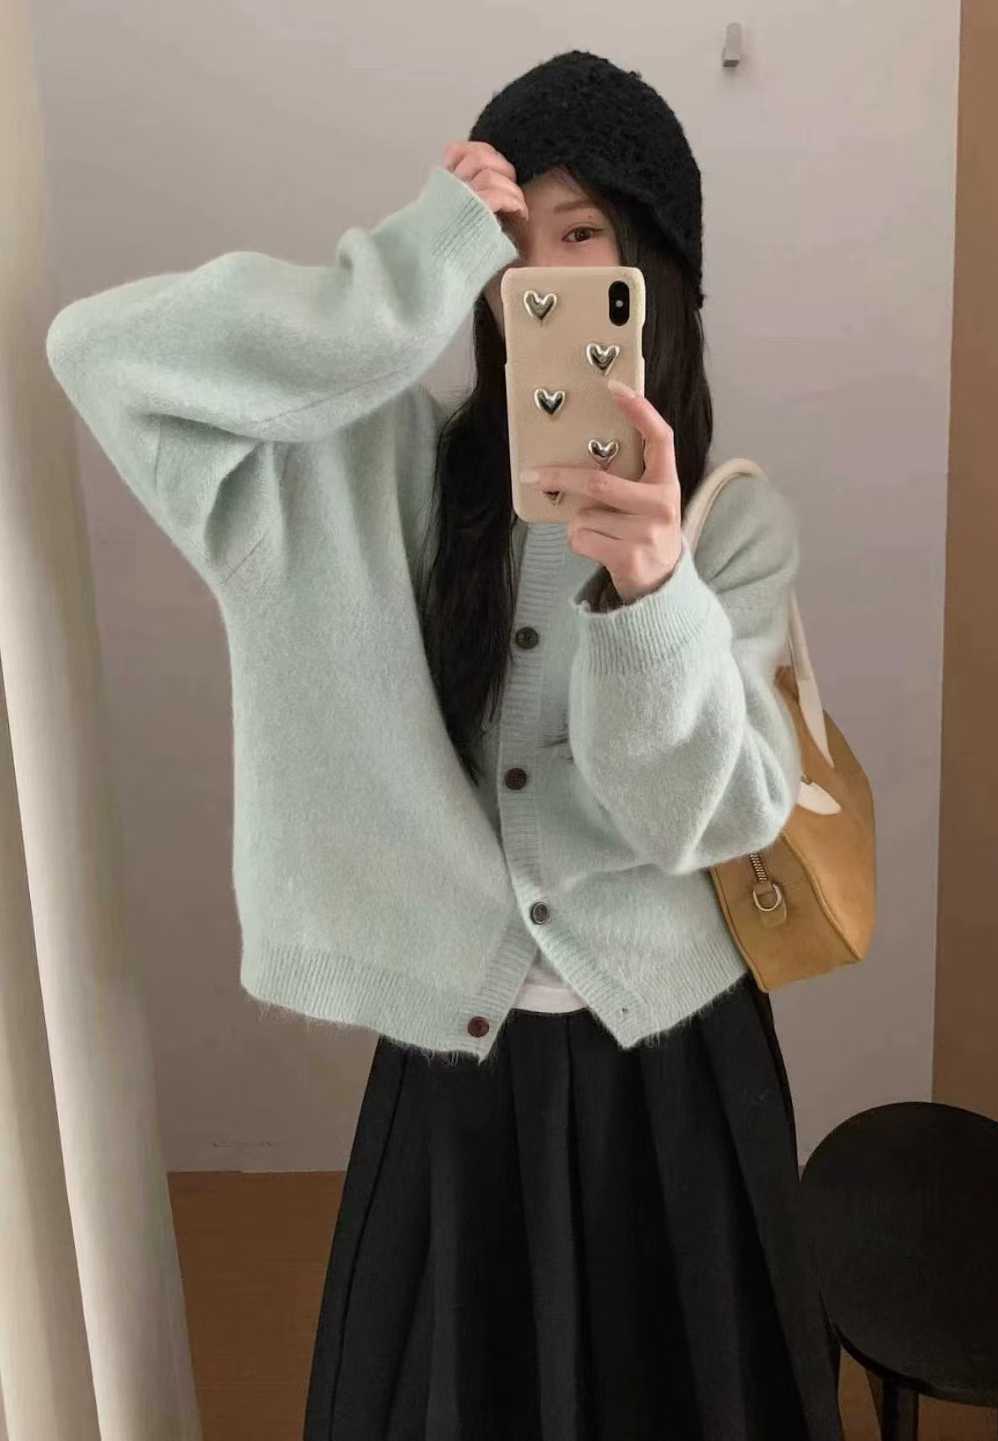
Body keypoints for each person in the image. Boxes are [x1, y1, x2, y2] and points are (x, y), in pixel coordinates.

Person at [46, 45, 844, 1441]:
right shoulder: (381, 477)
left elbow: (704, 821)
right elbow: (100, 356)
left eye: (581, 237)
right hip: (458, 1076)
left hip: (675, 1081)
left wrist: (652, 595)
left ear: (653, 272)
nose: (539, 279)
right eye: (511, 244)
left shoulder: (730, 526)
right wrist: (408, 266)